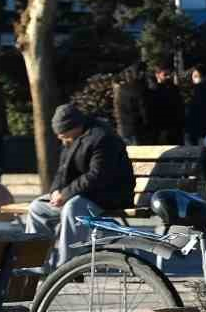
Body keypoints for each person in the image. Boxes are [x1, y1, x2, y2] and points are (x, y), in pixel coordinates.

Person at [26, 104, 135, 270]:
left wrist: (66, 194)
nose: (62, 140)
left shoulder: (102, 137)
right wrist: (56, 191)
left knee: (72, 208)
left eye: (64, 135)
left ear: (76, 126)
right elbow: (62, 171)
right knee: (37, 208)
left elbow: (98, 175)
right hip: (80, 194)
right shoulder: (72, 138)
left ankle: (66, 269)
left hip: (107, 195)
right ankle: (36, 268)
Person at [146, 63, 184, 145]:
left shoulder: (174, 88)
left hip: (175, 128)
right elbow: (153, 112)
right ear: (157, 75)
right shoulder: (153, 91)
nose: (168, 77)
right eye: (165, 74)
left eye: (169, 74)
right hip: (162, 129)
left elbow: (179, 107)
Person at [113, 62, 149, 145]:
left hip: (123, 128)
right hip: (135, 129)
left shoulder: (120, 89)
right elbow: (143, 110)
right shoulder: (136, 90)